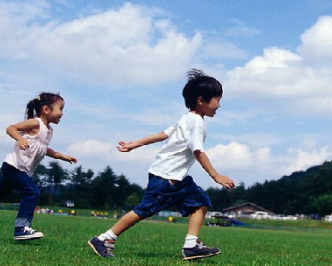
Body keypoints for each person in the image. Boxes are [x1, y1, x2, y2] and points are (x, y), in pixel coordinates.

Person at [88, 69, 235, 261]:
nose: (219, 105)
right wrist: (215, 176)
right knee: (144, 210)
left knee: (201, 202)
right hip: (166, 177)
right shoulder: (195, 122)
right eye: (216, 99)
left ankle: (191, 245)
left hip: (177, 178)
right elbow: (198, 151)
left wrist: (135, 143)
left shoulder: (186, 118)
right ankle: (104, 239)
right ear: (201, 100)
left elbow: (163, 134)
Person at [0, 92, 77, 241]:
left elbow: (42, 148)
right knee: (32, 192)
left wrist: (60, 155)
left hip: (20, 169)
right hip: (14, 167)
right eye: (60, 109)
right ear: (46, 109)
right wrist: (19, 138)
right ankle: (21, 228)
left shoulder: (49, 131)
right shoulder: (35, 123)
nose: (62, 114)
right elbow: (10, 128)